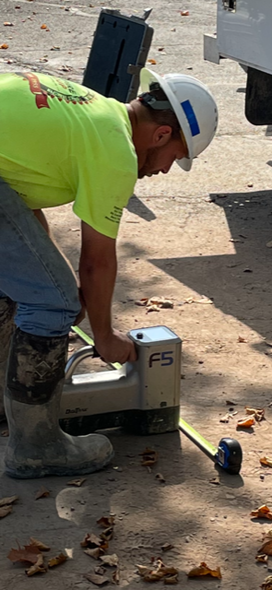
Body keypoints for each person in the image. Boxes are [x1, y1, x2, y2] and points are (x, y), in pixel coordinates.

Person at [0, 67, 218, 479]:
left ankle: (7, 400)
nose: (166, 170)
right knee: (50, 303)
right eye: (175, 157)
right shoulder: (116, 151)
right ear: (161, 135)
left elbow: (22, 203)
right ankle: (35, 447)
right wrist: (104, 335)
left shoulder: (94, 110)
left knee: (33, 288)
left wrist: (55, 276)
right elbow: (97, 261)